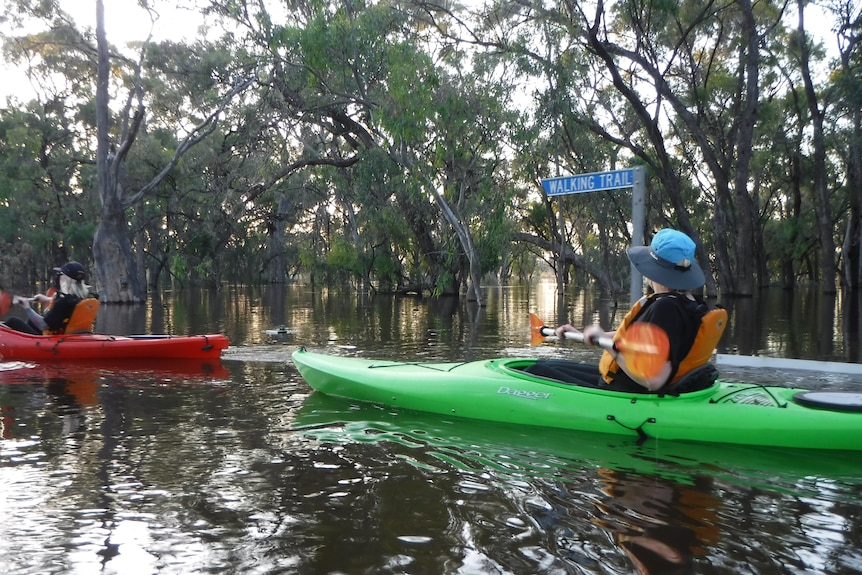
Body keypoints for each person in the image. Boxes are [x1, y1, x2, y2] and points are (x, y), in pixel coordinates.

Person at [526, 229, 726, 394]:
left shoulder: (667, 309)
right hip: (625, 381)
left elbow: (653, 379)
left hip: (627, 391)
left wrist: (611, 347)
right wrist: (592, 335)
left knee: (537, 370)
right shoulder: (689, 304)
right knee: (549, 364)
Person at [5, 262, 93, 335]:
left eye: (61, 275)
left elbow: (43, 325)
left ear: (66, 279)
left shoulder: (63, 302)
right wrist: (47, 299)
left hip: (53, 339)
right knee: (31, 322)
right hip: (65, 333)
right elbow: (66, 308)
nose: (59, 277)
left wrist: (27, 308)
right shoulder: (81, 297)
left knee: (13, 321)